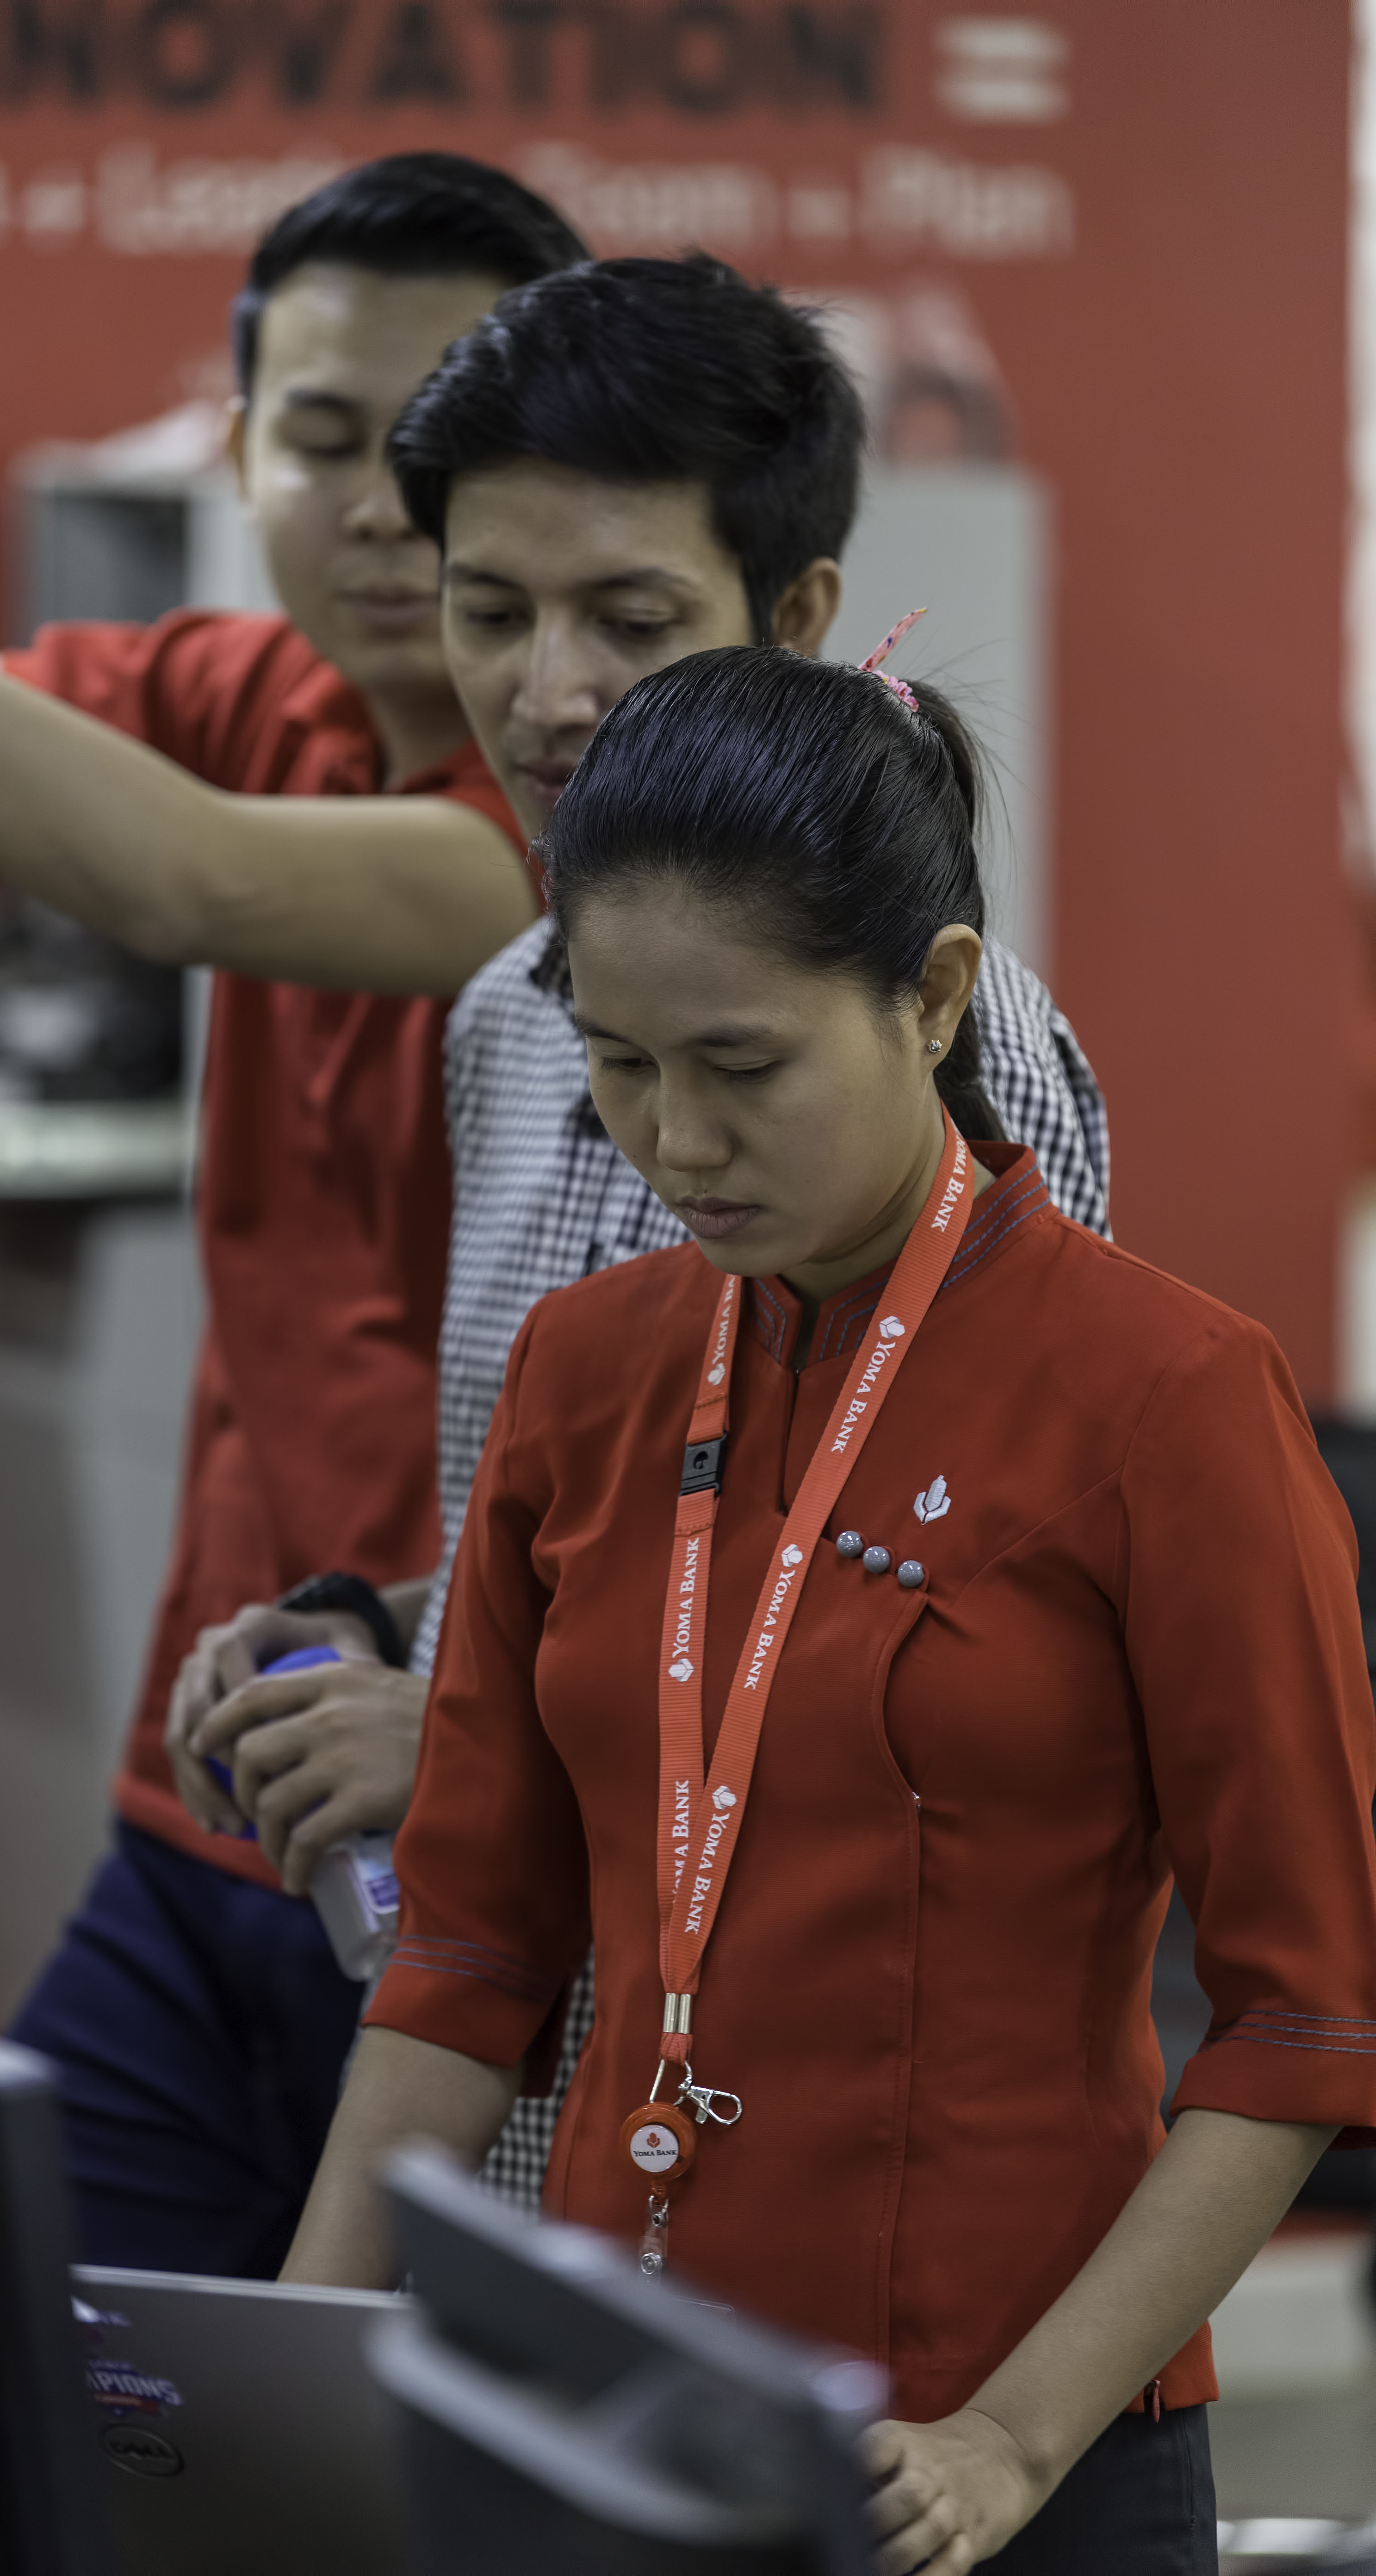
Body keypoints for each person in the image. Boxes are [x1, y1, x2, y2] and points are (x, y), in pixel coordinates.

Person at [281, 642, 1376, 2574]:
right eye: (622, 1065)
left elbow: (1308, 2019)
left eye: (743, 1067)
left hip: (989, 2460)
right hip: (609, 2412)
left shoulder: (1168, 1400)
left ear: (933, 995)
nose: (677, 1142)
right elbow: (466, 1956)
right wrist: (282, 2388)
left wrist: (1007, 2441)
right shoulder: (583, 1373)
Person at [0, 154, 588, 2274]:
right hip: (207, 1789)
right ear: (236, 451)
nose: (381, 509)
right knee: (8, 2361)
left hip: (467, 1805)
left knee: (391, 2421)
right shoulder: (241, 696)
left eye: (439, 446)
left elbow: (187, 876)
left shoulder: (583, 807)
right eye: (324, 439)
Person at [169, 260, 1109, 2207]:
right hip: (532, 2117)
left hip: (811, 2167)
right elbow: (591, 1546)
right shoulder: (507, 1019)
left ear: (797, 618)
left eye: (631, 618)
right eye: (490, 611)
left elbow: (938, 1664)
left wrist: (468, 1753)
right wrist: (377, 1639)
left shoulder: (962, 1061)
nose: (548, 693)